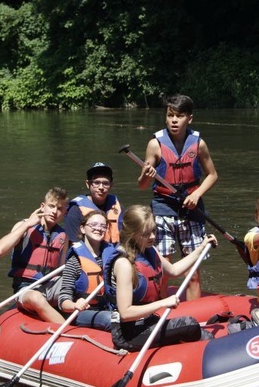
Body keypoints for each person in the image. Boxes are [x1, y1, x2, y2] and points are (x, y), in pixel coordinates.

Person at [137, 94, 219, 301]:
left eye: (179, 116)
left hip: (191, 208)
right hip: (163, 208)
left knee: (192, 273)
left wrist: (197, 193)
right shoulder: (155, 145)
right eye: (170, 115)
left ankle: (195, 318)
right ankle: (160, 312)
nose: (174, 120)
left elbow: (212, 175)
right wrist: (145, 176)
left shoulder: (198, 144)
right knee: (163, 270)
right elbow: (142, 185)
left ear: (189, 119)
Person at [102, 204, 217, 352]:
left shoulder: (149, 250)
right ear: (132, 233)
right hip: (128, 333)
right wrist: (163, 303)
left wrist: (201, 248)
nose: (152, 237)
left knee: (195, 330)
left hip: (148, 322)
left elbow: (174, 270)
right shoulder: (124, 264)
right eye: (146, 233)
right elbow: (125, 313)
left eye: (154, 231)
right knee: (190, 324)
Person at [0, 187, 69, 323]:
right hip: (25, 287)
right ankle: (67, 329)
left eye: (59, 208)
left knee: (77, 283)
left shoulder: (63, 236)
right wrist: (28, 224)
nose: (54, 211)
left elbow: (61, 270)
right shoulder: (24, 226)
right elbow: (0, 250)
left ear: (64, 213)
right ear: (43, 206)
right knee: (36, 298)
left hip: (50, 286)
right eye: (51, 206)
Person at [57, 210, 113, 330]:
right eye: (93, 225)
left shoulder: (114, 256)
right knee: (110, 319)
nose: (98, 228)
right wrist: (74, 305)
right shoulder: (75, 261)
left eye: (103, 226)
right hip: (82, 312)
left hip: (108, 307)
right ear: (82, 229)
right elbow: (63, 300)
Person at [64, 162, 123, 244]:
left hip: (114, 253)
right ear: (88, 184)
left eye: (105, 183)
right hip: (87, 255)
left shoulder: (118, 208)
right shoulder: (75, 211)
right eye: (96, 183)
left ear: (111, 185)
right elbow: (72, 243)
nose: (101, 187)